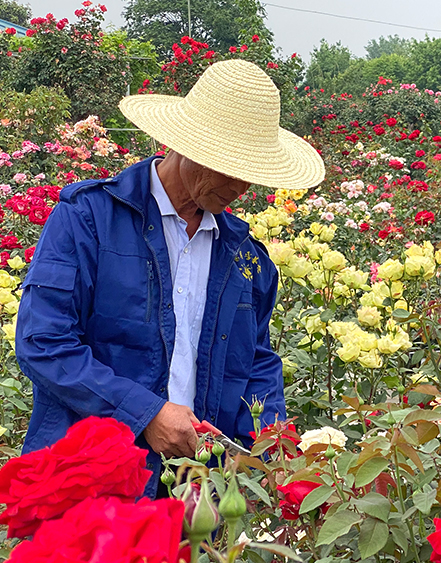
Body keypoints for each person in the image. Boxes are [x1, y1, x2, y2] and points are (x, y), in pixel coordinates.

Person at [15, 59, 325, 497]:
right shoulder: (88, 219)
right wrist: (146, 414)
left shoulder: (245, 256)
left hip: (199, 488)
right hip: (92, 479)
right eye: (227, 166)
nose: (240, 186)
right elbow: (43, 344)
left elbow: (256, 363)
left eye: (250, 172)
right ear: (184, 145)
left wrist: (276, 450)